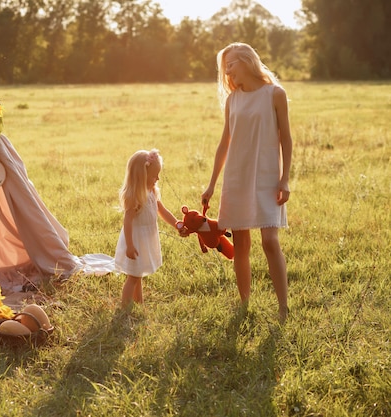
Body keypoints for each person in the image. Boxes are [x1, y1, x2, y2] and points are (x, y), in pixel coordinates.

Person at [201, 42, 292, 322]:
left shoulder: (275, 94)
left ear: (246, 60)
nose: (227, 73)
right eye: (224, 68)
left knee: (270, 241)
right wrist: (212, 183)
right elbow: (223, 144)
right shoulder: (233, 100)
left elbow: (286, 139)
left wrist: (285, 179)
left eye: (231, 65)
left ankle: (283, 308)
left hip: (267, 178)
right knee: (241, 244)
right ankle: (244, 305)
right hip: (237, 177)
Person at [115, 149, 181, 308]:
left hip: (146, 241)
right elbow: (128, 222)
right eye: (154, 175)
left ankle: (139, 303)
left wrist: (177, 224)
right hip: (136, 242)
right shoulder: (135, 197)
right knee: (134, 277)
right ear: (142, 176)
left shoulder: (151, 191)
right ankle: (125, 309)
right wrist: (130, 245)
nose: (158, 178)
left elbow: (162, 211)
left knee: (138, 275)